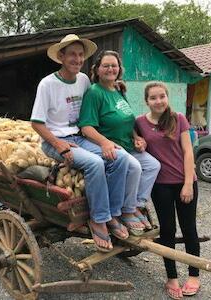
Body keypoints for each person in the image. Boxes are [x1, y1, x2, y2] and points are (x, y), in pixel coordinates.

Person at [30, 34, 132, 252]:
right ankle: (98, 219)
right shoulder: (47, 84)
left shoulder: (84, 80)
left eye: (80, 55)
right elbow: (36, 124)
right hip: (56, 141)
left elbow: (101, 92)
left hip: (79, 138)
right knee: (95, 163)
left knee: (120, 157)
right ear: (61, 57)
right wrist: (58, 144)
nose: (77, 59)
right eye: (72, 55)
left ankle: (113, 214)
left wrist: (117, 85)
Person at [79, 50, 160, 235]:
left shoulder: (118, 90)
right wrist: (104, 143)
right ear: (97, 70)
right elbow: (86, 127)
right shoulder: (94, 93)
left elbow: (125, 119)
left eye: (114, 65)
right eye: (105, 65)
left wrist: (136, 137)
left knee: (153, 165)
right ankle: (125, 211)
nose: (110, 69)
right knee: (135, 167)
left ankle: (136, 204)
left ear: (119, 69)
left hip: (128, 144)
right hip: (110, 146)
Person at [135, 82, 200, 300]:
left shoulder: (178, 118)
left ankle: (193, 275)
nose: (159, 101)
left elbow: (188, 151)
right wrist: (139, 143)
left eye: (162, 96)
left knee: (189, 228)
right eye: (153, 98)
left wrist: (188, 183)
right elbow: (138, 145)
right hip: (160, 185)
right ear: (147, 101)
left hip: (185, 181)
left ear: (167, 97)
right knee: (167, 231)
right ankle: (171, 277)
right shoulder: (140, 123)